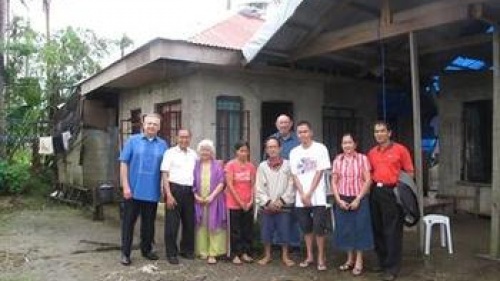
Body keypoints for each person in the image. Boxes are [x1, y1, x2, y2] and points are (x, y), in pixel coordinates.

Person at [119, 113, 168, 266]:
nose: (151, 126)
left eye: (155, 124)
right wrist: (125, 185)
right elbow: (123, 163)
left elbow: (165, 169)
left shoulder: (163, 144)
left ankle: (146, 250)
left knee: (148, 225)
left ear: (159, 127)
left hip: (152, 192)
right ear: (143, 125)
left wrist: (163, 187)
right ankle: (125, 254)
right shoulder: (133, 141)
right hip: (132, 191)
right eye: (149, 123)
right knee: (128, 223)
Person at [367, 121, 414, 281]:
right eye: (376, 131)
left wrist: (399, 190)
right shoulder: (372, 152)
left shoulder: (400, 150)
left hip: (392, 192)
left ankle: (392, 267)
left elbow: (409, 172)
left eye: (382, 131)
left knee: (392, 230)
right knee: (377, 228)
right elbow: (369, 172)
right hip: (375, 192)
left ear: (389, 132)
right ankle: (382, 261)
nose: (379, 134)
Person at [289, 120, 331, 271]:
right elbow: (294, 175)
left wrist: (309, 193)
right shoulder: (294, 152)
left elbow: (320, 172)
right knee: (306, 228)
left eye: (305, 131)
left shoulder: (320, 148)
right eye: (300, 132)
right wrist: (302, 194)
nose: (303, 134)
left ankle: (321, 256)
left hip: (317, 196)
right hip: (301, 197)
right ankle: (309, 255)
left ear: (311, 132)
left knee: (319, 227)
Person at [331, 133, 373, 276]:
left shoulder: (363, 159)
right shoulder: (338, 160)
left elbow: (368, 180)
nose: (347, 145)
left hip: (359, 198)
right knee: (346, 229)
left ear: (355, 144)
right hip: (343, 198)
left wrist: (358, 199)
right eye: (344, 143)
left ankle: (359, 261)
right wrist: (338, 199)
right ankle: (349, 259)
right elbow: (334, 181)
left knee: (360, 229)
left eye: (349, 142)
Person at [256, 137, 296, 267]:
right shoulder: (262, 166)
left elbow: (292, 184)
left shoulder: (288, 165)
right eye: (269, 147)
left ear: (280, 148)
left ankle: (285, 255)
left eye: (274, 147)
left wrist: (282, 200)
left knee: (285, 230)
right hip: (267, 205)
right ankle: (267, 255)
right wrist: (268, 202)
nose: (272, 149)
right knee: (266, 231)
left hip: (283, 205)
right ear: (266, 150)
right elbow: (259, 187)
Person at [161, 129, 198, 265]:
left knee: (189, 223)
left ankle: (187, 250)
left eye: (187, 137)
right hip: (174, 189)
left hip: (189, 191)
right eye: (182, 137)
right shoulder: (169, 153)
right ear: (177, 138)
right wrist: (168, 195)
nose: (184, 140)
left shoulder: (194, 154)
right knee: (172, 224)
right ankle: (171, 253)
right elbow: (165, 175)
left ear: (190, 138)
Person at [269, 114, 302, 251]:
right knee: (277, 210)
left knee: (293, 212)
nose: (283, 125)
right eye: (280, 123)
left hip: (293, 179)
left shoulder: (297, 140)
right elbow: (267, 159)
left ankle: (294, 243)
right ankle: (277, 241)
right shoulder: (272, 139)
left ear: (291, 124)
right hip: (275, 179)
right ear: (277, 125)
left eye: (286, 123)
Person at [193, 139, 227, 264]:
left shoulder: (217, 165)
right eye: (202, 150)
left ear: (211, 152)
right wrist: (196, 196)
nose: (205, 152)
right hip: (199, 201)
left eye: (207, 150)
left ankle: (213, 253)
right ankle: (202, 251)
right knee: (201, 225)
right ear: (199, 151)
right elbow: (191, 182)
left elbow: (221, 182)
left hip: (214, 200)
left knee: (214, 225)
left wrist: (212, 196)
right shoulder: (195, 165)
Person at [225, 140, 256, 265]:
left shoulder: (251, 166)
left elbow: (253, 184)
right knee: (235, 230)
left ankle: (245, 252)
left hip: (248, 203)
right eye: (241, 150)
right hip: (234, 203)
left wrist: (251, 200)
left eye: (245, 151)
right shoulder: (230, 165)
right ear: (236, 152)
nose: (243, 153)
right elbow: (230, 185)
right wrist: (240, 202)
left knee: (247, 229)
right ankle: (235, 254)